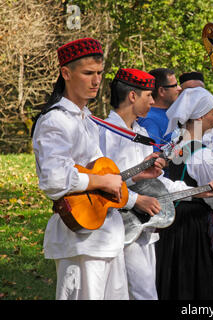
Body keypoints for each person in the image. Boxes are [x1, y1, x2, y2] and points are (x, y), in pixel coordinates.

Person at [98, 68, 213, 300]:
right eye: (149, 95)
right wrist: (137, 198)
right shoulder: (103, 132)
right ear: (132, 96)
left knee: (145, 294)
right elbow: (102, 181)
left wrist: (197, 193)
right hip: (107, 226)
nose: (153, 101)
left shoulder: (142, 134)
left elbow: (157, 184)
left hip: (140, 227)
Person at [31, 38, 132, 300]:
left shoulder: (86, 119)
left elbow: (103, 174)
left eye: (99, 73)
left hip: (106, 238)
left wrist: (128, 187)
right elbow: (54, 179)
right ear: (66, 73)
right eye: (88, 73)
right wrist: (100, 183)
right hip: (79, 241)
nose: (96, 81)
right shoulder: (55, 120)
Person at [155, 87, 213, 300]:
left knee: (174, 283)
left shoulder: (174, 144)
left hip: (171, 224)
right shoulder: (203, 154)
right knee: (197, 284)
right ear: (199, 117)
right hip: (193, 229)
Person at [137, 68, 182, 147]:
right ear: (161, 91)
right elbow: (152, 156)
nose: (179, 88)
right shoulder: (149, 120)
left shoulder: (169, 113)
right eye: (174, 85)